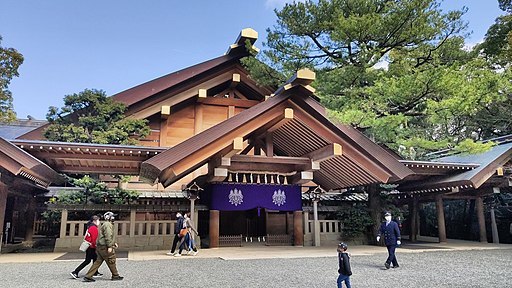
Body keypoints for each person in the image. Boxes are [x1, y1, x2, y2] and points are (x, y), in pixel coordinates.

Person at [83, 211, 123, 282]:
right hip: (104, 246)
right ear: (109, 217)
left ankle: (88, 276)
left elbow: (108, 236)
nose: (114, 218)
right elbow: (108, 235)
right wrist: (110, 246)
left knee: (98, 261)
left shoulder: (106, 224)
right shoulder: (107, 224)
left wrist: (114, 242)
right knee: (111, 259)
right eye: (112, 216)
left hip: (100, 247)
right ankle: (115, 275)